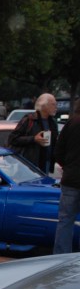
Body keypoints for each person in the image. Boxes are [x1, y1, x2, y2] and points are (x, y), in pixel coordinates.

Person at [52, 99, 80, 254]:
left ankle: (61, 256)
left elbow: (58, 151)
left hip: (70, 179)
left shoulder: (70, 124)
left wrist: (67, 166)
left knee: (65, 221)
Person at [9, 93, 59, 175]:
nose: (56, 107)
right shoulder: (29, 120)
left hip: (46, 164)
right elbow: (13, 139)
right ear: (44, 105)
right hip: (29, 166)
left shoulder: (53, 122)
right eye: (53, 104)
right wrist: (34, 139)